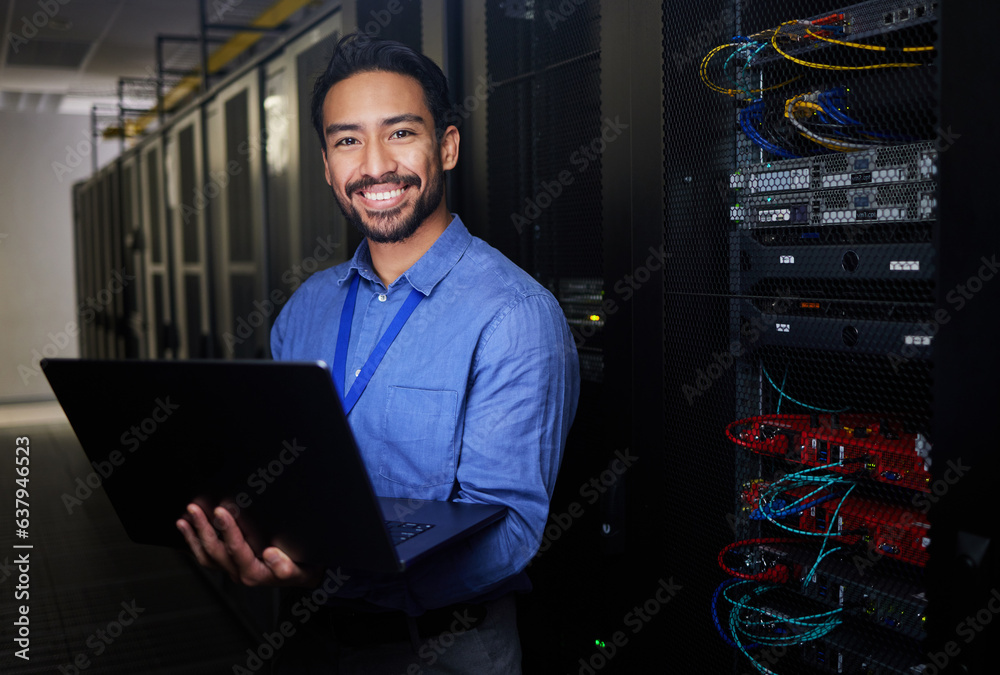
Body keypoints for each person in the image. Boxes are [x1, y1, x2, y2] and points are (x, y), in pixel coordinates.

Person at [176, 33, 580, 674]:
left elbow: (508, 536)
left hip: (444, 651)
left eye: (399, 133)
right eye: (347, 140)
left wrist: (327, 579)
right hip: (304, 643)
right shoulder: (304, 310)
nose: (374, 165)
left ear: (446, 146)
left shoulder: (514, 317)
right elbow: (284, 479)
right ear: (327, 165)